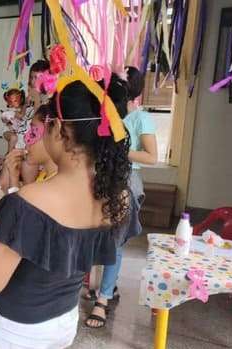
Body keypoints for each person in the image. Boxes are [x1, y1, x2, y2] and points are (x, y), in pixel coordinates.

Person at [0, 81, 133, 349]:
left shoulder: (29, 202)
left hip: (13, 331)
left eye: (47, 126)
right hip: (63, 320)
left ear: (61, 130)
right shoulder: (120, 197)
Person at [85, 68, 157, 328]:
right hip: (100, 177)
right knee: (95, 235)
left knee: (114, 241)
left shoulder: (140, 118)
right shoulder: (102, 115)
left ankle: (103, 299)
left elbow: (151, 157)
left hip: (126, 181)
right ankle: (106, 287)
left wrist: (118, 152)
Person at [1, 88, 27, 153]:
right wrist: (25, 105)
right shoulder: (11, 111)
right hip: (7, 131)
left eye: (16, 101)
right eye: (11, 102)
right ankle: (9, 155)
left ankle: (11, 154)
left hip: (17, 131)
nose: (13, 104)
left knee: (20, 140)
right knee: (13, 137)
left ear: (20, 100)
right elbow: (21, 115)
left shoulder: (20, 109)